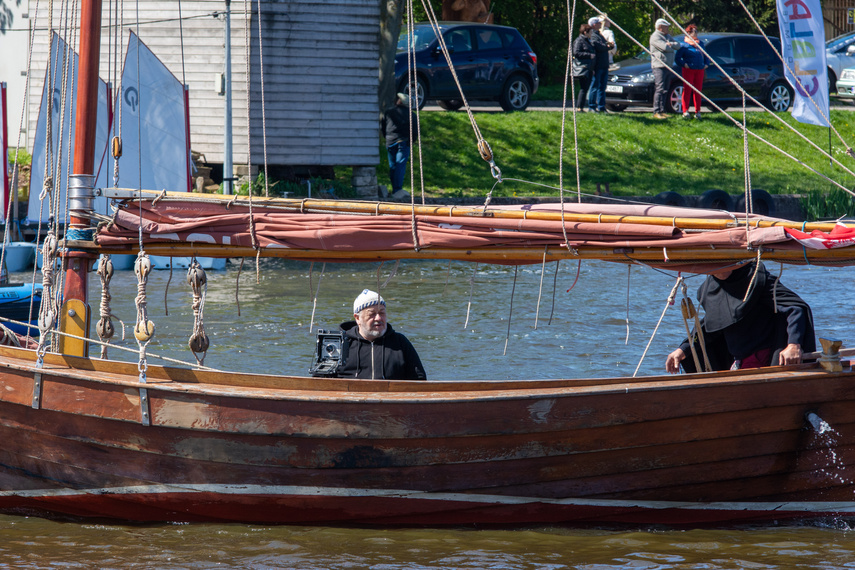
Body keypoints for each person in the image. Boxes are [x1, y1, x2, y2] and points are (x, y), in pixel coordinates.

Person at [665, 262, 816, 374]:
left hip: (767, 359)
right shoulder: (709, 289)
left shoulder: (756, 279)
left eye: (723, 261)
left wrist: (794, 345)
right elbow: (711, 326)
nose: (719, 268)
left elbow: (796, 308)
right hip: (738, 361)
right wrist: (682, 350)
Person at [338, 289, 427, 380]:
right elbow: (325, 379)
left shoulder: (400, 342)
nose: (378, 318)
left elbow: (419, 379)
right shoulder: (342, 344)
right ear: (357, 318)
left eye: (382, 313)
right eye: (372, 314)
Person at [382, 93, 418, 201]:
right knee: (400, 165)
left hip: (390, 141)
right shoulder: (411, 114)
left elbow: (383, 127)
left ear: (399, 101)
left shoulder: (389, 112)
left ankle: (395, 188)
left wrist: (386, 138)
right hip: (403, 142)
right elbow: (415, 131)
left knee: (393, 165)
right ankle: (397, 189)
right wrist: (411, 141)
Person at [675, 24, 709, 119]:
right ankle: (685, 111)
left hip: (699, 70)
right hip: (688, 70)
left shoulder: (700, 44)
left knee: (698, 91)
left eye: (696, 31)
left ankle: (697, 111)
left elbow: (706, 55)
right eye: (694, 31)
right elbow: (678, 58)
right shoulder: (684, 45)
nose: (696, 33)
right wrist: (685, 64)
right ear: (689, 33)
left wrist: (706, 64)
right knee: (687, 90)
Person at [649, 18, 681, 119]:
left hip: (668, 66)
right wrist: (670, 45)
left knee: (666, 89)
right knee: (660, 88)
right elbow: (665, 48)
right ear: (660, 27)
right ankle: (656, 111)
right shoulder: (655, 37)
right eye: (666, 26)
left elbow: (678, 45)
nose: (668, 29)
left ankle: (663, 110)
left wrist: (670, 43)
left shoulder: (667, 36)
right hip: (659, 66)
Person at [587, 17, 614, 113]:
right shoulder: (593, 35)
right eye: (598, 23)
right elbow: (597, 46)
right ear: (594, 25)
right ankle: (592, 106)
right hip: (597, 65)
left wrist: (609, 45)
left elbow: (605, 44)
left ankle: (602, 106)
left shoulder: (599, 34)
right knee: (595, 86)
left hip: (604, 64)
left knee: (602, 87)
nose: (600, 24)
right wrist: (607, 47)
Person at [572, 23, 596, 112]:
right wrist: (589, 55)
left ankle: (580, 107)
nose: (591, 34)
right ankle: (579, 108)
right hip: (583, 68)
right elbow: (576, 53)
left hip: (589, 68)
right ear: (585, 32)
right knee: (583, 88)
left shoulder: (588, 41)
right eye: (590, 32)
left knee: (585, 88)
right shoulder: (579, 40)